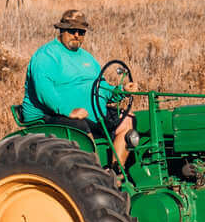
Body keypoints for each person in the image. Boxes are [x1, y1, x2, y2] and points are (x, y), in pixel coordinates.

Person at [23, 9, 134, 151]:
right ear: (61, 30)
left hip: (89, 114)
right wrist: (69, 111)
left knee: (128, 121)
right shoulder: (47, 55)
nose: (76, 35)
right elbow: (44, 92)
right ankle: (94, 170)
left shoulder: (87, 58)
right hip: (51, 115)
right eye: (72, 31)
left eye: (81, 32)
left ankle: (115, 170)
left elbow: (101, 87)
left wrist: (121, 91)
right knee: (80, 128)